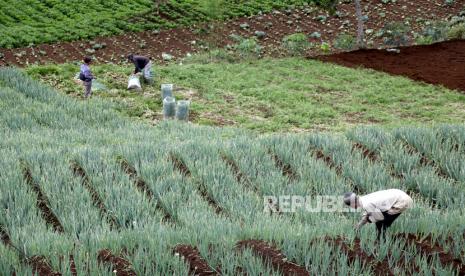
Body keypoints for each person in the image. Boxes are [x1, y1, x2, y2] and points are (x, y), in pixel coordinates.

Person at [343, 189, 413, 240]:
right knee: (380, 222)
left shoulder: (366, 204)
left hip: (401, 201)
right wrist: (359, 226)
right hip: (399, 195)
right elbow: (368, 213)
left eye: (350, 206)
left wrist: (369, 219)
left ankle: (382, 241)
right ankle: (382, 239)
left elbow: (379, 217)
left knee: (381, 223)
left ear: (353, 204)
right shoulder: (363, 199)